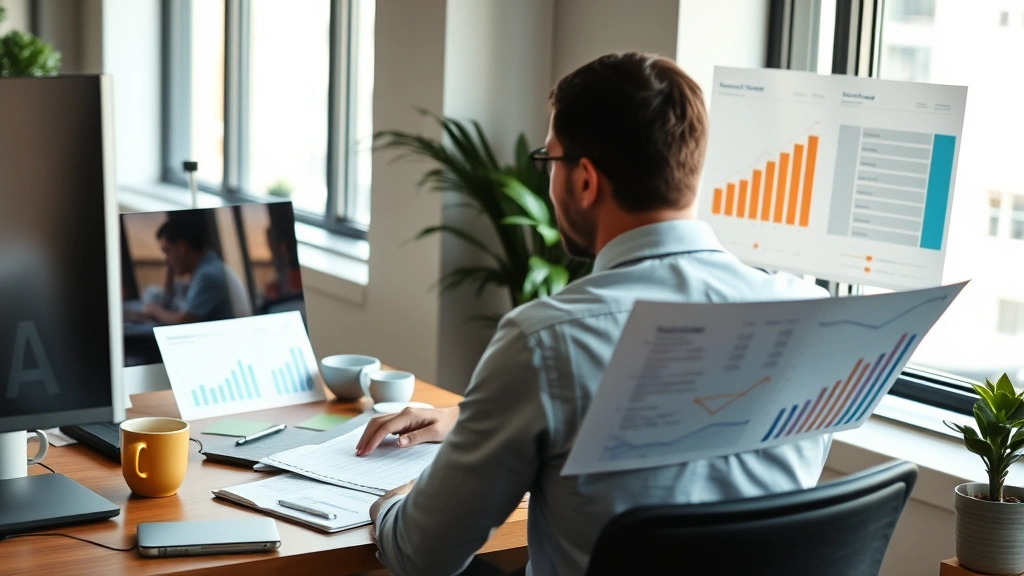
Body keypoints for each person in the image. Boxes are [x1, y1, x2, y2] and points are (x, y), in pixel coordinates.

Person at [357, 52, 831, 576]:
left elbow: (422, 555)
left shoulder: (547, 339)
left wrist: (391, 505)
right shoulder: (808, 316)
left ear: (584, 180)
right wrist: (473, 422)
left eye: (550, 160)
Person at [141, 216, 233, 325]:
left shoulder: (207, 275)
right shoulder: (208, 266)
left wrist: (154, 310)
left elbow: (184, 320)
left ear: (181, 247)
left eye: (167, 251)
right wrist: (169, 277)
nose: (166, 260)